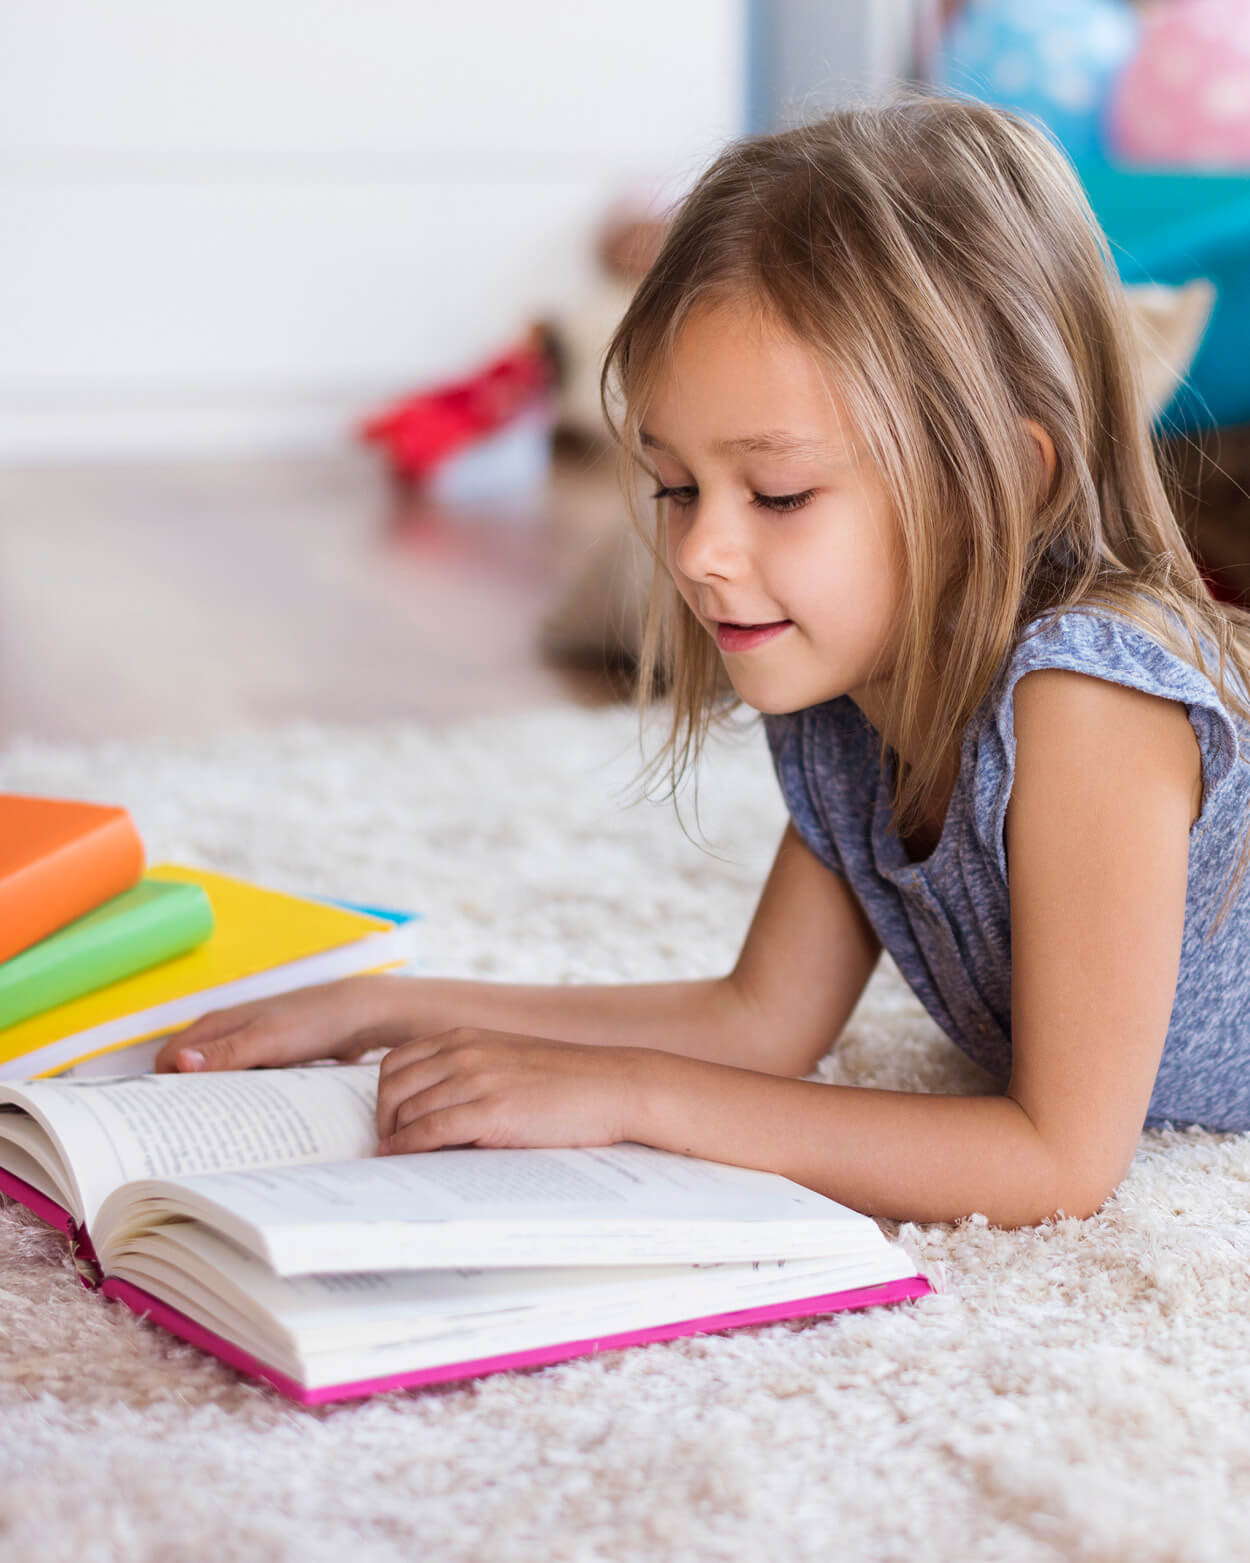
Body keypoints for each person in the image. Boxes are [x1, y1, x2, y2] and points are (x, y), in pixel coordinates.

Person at [155, 87, 1250, 1229]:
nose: (699, 550)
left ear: (1005, 486)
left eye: (776, 493)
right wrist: (375, 1012)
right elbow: (757, 1021)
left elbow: (1055, 1161)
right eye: (675, 485)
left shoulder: (1088, 697)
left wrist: (631, 1096)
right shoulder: (851, 695)